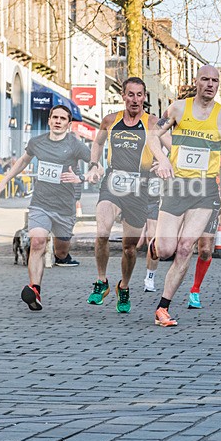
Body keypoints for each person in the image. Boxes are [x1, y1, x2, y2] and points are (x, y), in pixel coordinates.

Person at [146, 64, 221, 327]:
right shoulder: (178, 109)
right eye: (205, 79)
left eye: (215, 81)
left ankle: (163, 308)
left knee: (186, 248)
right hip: (177, 186)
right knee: (165, 250)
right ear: (196, 81)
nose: (210, 84)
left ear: (219, 84)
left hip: (205, 189)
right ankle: (155, 244)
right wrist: (162, 159)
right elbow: (154, 136)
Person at [0, 105, 93, 310]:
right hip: (41, 203)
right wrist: (3, 182)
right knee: (37, 241)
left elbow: (96, 164)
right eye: (54, 117)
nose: (57, 121)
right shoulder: (37, 142)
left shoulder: (76, 145)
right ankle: (35, 290)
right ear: (49, 120)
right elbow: (22, 162)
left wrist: (80, 177)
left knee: (61, 251)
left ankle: (63, 256)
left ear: (68, 123)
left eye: (62, 118)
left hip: (65, 207)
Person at [86, 77, 162, 312]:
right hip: (113, 181)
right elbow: (97, 143)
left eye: (140, 95)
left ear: (145, 97)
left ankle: (124, 286)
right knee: (102, 231)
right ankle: (101, 281)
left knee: (130, 248)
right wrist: (93, 164)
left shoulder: (152, 122)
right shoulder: (110, 120)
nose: (135, 100)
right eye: (131, 94)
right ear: (123, 96)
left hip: (140, 188)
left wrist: (163, 162)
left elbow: (168, 144)